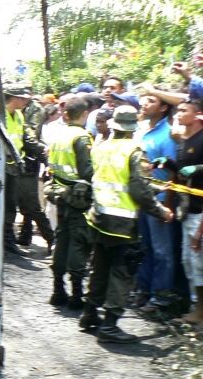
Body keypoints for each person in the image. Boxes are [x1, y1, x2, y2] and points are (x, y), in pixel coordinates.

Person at [81, 105, 174, 343]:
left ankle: (90, 314)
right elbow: (137, 189)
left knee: (100, 267)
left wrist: (154, 186)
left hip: (99, 218)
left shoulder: (102, 147)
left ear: (114, 126)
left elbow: (115, 178)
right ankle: (110, 325)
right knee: (122, 272)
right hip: (122, 223)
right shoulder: (135, 151)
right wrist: (160, 210)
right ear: (133, 128)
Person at [155, 99, 203, 325]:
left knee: (199, 262)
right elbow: (183, 176)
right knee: (189, 261)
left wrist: (199, 168)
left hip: (200, 211)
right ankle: (196, 308)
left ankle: (199, 313)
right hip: (188, 208)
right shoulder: (183, 140)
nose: (179, 114)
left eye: (184, 110)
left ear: (198, 115)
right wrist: (169, 164)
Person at [46, 97, 94, 309]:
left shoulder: (58, 135)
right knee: (78, 242)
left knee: (62, 238)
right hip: (78, 198)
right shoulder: (82, 137)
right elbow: (87, 171)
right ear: (84, 115)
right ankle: (76, 295)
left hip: (60, 194)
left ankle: (58, 289)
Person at [135, 94, 180, 315]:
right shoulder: (142, 129)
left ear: (163, 108)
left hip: (160, 200)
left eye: (151, 101)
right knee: (146, 248)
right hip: (142, 199)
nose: (144, 103)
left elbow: (173, 172)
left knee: (162, 251)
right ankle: (144, 289)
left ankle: (160, 296)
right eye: (144, 100)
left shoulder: (168, 134)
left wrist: (168, 205)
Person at [1, 84, 53, 255]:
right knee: (11, 205)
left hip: (16, 166)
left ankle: (12, 240)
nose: (25, 100)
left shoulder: (18, 115)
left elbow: (27, 137)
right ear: (13, 97)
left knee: (20, 205)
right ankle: (8, 241)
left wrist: (42, 150)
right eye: (22, 98)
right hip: (1, 166)